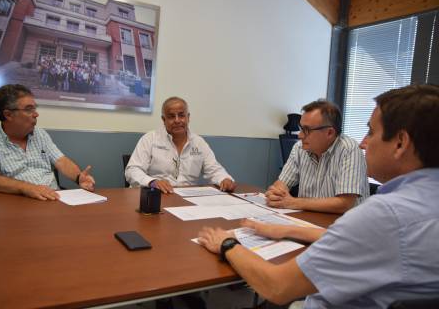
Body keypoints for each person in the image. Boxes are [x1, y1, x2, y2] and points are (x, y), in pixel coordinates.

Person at [198, 84, 439, 308]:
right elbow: (370, 241)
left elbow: (277, 286)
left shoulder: (384, 215)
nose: (364, 143)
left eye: (371, 132)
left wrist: (227, 244)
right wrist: (288, 229)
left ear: (400, 143)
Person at [0, 84, 95, 201]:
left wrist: (79, 177)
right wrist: (27, 188)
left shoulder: (40, 134)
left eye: (34, 108)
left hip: (53, 199)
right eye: (28, 109)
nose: (36, 114)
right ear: (8, 114)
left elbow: (61, 161)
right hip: (16, 205)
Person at [266, 99, 369, 214]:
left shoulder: (349, 150)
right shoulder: (299, 148)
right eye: (301, 128)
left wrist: (293, 202)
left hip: (345, 225)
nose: (300, 135)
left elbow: (345, 204)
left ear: (329, 133)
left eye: (306, 130)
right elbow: (282, 183)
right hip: (309, 220)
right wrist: (276, 194)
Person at [125, 96, 235, 193]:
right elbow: (132, 171)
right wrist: (152, 182)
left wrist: (224, 179)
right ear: (164, 120)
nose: (177, 120)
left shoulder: (198, 143)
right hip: (154, 195)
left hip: (186, 200)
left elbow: (214, 170)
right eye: (171, 116)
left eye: (181, 115)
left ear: (188, 117)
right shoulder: (150, 139)